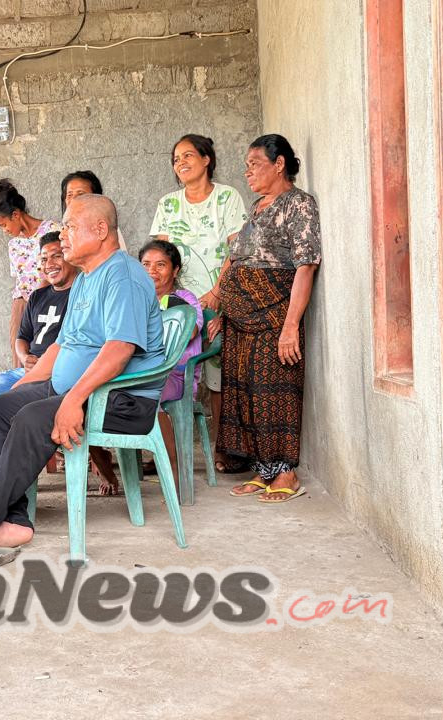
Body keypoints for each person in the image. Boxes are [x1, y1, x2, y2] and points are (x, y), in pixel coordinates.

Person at [0, 194, 165, 549]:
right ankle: (14, 522)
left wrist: (73, 399)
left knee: (30, 417)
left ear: (101, 230)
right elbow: (61, 347)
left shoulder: (123, 276)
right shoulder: (87, 277)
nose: (64, 235)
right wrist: (21, 388)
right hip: (80, 390)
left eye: (71, 226)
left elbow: (120, 352)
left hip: (121, 399)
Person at [202, 134, 321, 503]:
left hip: (272, 315)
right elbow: (235, 261)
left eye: (254, 163)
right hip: (241, 319)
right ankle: (264, 469)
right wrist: (222, 307)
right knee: (246, 394)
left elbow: (305, 265)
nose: (247, 171)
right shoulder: (256, 208)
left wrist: (289, 327)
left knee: (276, 394)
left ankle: (285, 473)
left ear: (279, 163)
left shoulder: (298, 204)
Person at [149, 133, 248, 473]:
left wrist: (217, 294)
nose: (182, 163)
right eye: (176, 159)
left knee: (219, 378)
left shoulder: (227, 198)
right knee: (169, 370)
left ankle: (225, 448)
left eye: (189, 155)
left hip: (220, 297)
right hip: (178, 304)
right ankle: (164, 451)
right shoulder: (168, 204)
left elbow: (237, 251)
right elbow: (161, 256)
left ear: (207, 159)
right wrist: (172, 299)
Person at [0, 230, 76, 495]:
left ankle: (9, 483)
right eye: (44, 258)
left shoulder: (82, 294)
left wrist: (40, 367)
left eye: (57, 256)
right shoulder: (38, 296)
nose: (50, 264)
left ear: (71, 257)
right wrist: (25, 358)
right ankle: (1, 473)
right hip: (28, 367)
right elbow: (21, 338)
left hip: (58, 372)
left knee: (10, 407)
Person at [138, 239, 204, 479]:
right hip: (142, 372)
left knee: (147, 391)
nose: (151, 271)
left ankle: (173, 471)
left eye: (160, 265)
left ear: (175, 270)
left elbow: (190, 332)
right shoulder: (136, 299)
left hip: (176, 376)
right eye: (145, 264)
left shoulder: (185, 299)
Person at [0, 179, 60, 353]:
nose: (4, 230)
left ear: (16, 215)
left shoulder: (52, 229)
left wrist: (37, 298)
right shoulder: (14, 244)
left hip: (48, 300)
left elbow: (59, 269)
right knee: (20, 353)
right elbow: (20, 282)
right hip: (22, 305)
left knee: (44, 351)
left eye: (4, 225)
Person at [61, 170, 126, 251]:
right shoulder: (64, 231)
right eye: (69, 195)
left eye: (81, 194)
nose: (74, 199)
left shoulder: (106, 226)